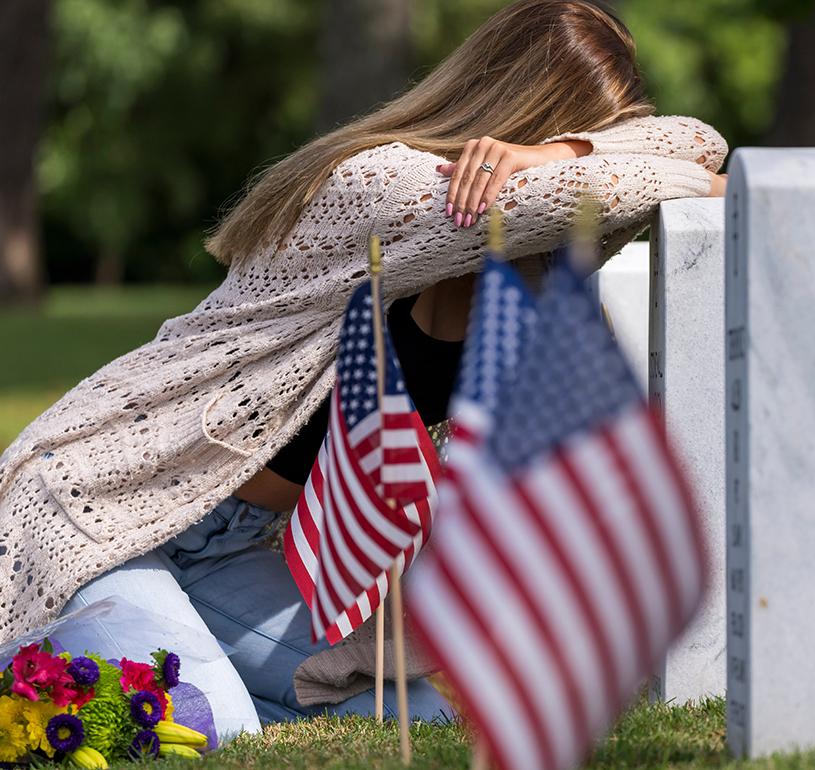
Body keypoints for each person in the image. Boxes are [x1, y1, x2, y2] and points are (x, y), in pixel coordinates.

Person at [0, 0, 728, 739]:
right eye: (578, 134)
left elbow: (703, 148)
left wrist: (562, 152)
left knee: (431, 720)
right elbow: (662, 176)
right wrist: (566, 167)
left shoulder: (527, 252)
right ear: (517, 108)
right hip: (102, 516)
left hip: (233, 545)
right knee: (216, 737)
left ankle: (201, 666)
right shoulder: (382, 184)